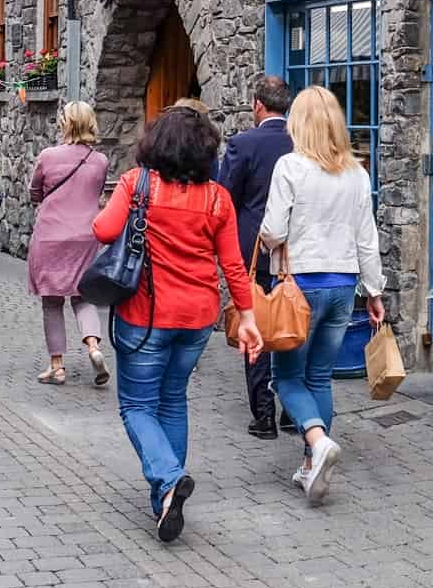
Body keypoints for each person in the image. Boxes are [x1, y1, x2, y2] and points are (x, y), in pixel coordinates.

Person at [92, 105, 262, 543]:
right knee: (173, 399)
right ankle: (164, 501)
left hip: (146, 316)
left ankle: (169, 479)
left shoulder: (137, 184)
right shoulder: (217, 199)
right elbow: (234, 266)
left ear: (156, 144)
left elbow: (103, 231)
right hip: (198, 319)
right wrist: (247, 318)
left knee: (136, 406)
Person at [260, 85, 385, 506]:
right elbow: (367, 237)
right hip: (343, 285)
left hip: (300, 286)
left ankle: (316, 441)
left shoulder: (289, 167)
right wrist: (375, 291)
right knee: (319, 377)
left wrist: (264, 241)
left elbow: (274, 230)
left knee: (286, 377)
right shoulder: (356, 172)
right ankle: (313, 462)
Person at [216, 74, 294, 439]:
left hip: (253, 250)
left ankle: (263, 413)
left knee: (257, 325)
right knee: (291, 322)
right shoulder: (301, 142)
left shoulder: (243, 143)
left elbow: (224, 197)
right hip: (296, 252)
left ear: (258, 105)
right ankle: (293, 410)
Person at [27, 101, 111, 387]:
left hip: (51, 235)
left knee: (52, 301)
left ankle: (57, 366)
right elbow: (98, 193)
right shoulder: (100, 161)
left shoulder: (48, 156)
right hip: (86, 236)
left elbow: (35, 192)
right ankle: (93, 347)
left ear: (64, 123)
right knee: (83, 296)